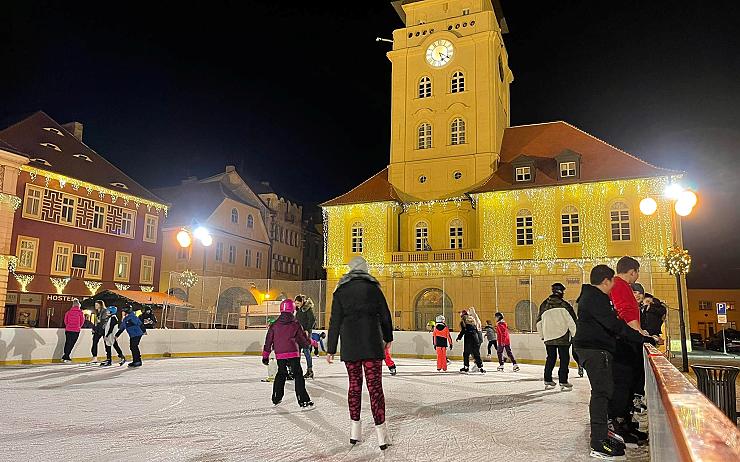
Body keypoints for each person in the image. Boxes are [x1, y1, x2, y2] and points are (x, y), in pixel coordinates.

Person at [573, 264, 657, 460]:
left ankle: (603, 434)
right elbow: (614, 325)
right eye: (612, 282)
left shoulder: (595, 297)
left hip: (594, 349)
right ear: (606, 281)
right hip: (594, 350)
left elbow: (613, 325)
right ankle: (598, 442)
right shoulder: (595, 298)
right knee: (602, 393)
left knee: (605, 391)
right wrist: (641, 338)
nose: (614, 286)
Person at [327, 256, 394, 451]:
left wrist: (331, 348)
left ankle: (354, 431)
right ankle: (382, 434)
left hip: (350, 346)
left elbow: (335, 321)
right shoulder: (373, 289)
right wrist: (388, 337)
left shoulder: (340, 291)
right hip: (372, 344)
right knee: (375, 389)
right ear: (366, 269)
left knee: (354, 387)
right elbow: (385, 315)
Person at [610, 257, 649, 440]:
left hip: (627, 340)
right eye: (637, 272)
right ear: (632, 271)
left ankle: (626, 421)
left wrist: (642, 332)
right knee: (623, 384)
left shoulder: (620, 285)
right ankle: (619, 424)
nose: (637, 276)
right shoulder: (620, 285)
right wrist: (638, 335)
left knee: (629, 384)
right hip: (625, 343)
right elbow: (625, 312)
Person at [262, 299, 314, 408]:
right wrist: (312, 343)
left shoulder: (275, 325)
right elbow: (303, 339)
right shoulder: (295, 324)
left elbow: (268, 341)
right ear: (293, 309)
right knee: (298, 375)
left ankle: (276, 397)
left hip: (280, 354)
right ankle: (303, 400)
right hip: (293, 354)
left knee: (281, 373)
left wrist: (265, 356)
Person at [536, 282, 578, 390]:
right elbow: (572, 322)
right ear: (562, 292)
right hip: (562, 336)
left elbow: (538, 322)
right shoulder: (565, 305)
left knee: (551, 358)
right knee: (564, 359)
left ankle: (548, 379)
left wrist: (542, 335)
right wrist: (575, 335)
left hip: (548, 337)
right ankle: (563, 381)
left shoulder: (544, 305)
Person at [295, 295, 316, 379]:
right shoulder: (299, 310)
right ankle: (297, 370)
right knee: (297, 352)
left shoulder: (307, 309)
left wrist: (307, 330)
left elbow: (313, 320)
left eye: (298, 303)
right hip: (298, 333)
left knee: (306, 351)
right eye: (295, 303)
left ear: (302, 302)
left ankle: (310, 371)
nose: (297, 304)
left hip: (305, 333)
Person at [62, 299, 85, 363]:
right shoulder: (80, 313)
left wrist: (68, 325)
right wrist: (78, 326)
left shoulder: (68, 312)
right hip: (76, 330)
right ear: (79, 305)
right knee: (72, 343)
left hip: (68, 329)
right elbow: (82, 321)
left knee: (67, 342)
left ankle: (65, 355)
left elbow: (65, 321)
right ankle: (66, 356)